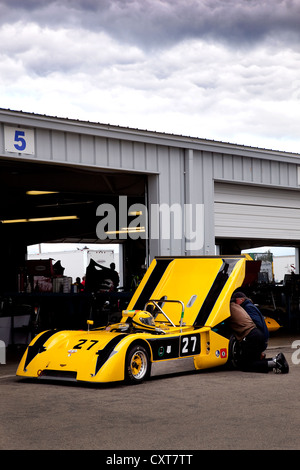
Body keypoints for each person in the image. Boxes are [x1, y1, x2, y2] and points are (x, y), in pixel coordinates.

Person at [229, 299, 289, 373]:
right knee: (255, 361)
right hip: (257, 333)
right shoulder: (237, 307)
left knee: (246, 365)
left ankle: (276, 362)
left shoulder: (228, 309)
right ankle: (275, 361)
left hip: (251, 336)